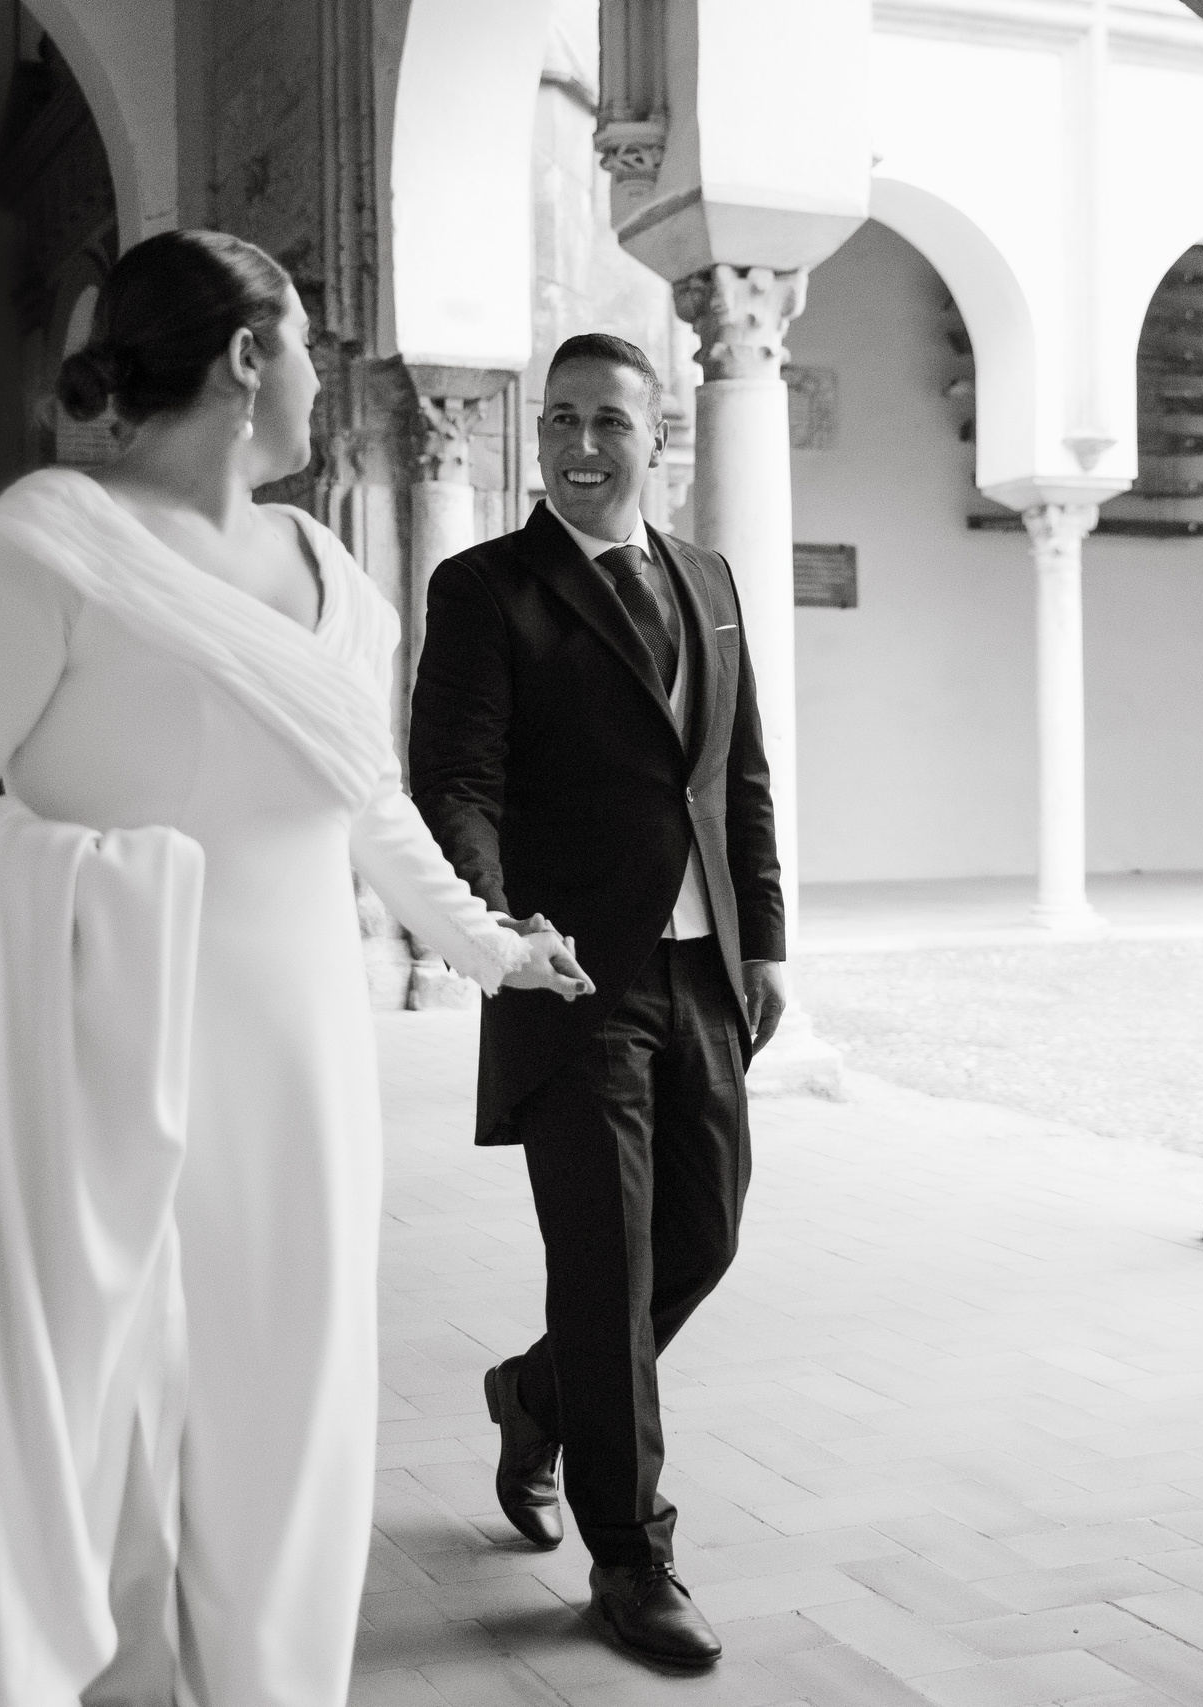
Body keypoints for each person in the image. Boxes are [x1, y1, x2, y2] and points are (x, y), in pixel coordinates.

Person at [0, 229, 591, 1707]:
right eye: (304, 351)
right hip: (103, 1049)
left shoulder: (335, 576)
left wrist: (483, 942)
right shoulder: (47, 548)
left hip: (298, 1062)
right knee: (111, 1406)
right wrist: (111, 883)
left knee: (288, 1397)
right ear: (244, 357)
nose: (317, 385)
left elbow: (367, 797)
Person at [407, 333, 788, 1667]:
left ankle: (537, 1392)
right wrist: (500, 920)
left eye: (606, 424)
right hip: (569, 981)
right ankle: (631, 1561)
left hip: (699, 972)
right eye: (558, 421)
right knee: (608, 1265)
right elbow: (456, 777)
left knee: (706, 1235)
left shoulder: (709, 579)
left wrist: (768, 939)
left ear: (657, 433)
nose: (578, 447)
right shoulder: (485, 589)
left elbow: (736, 772)